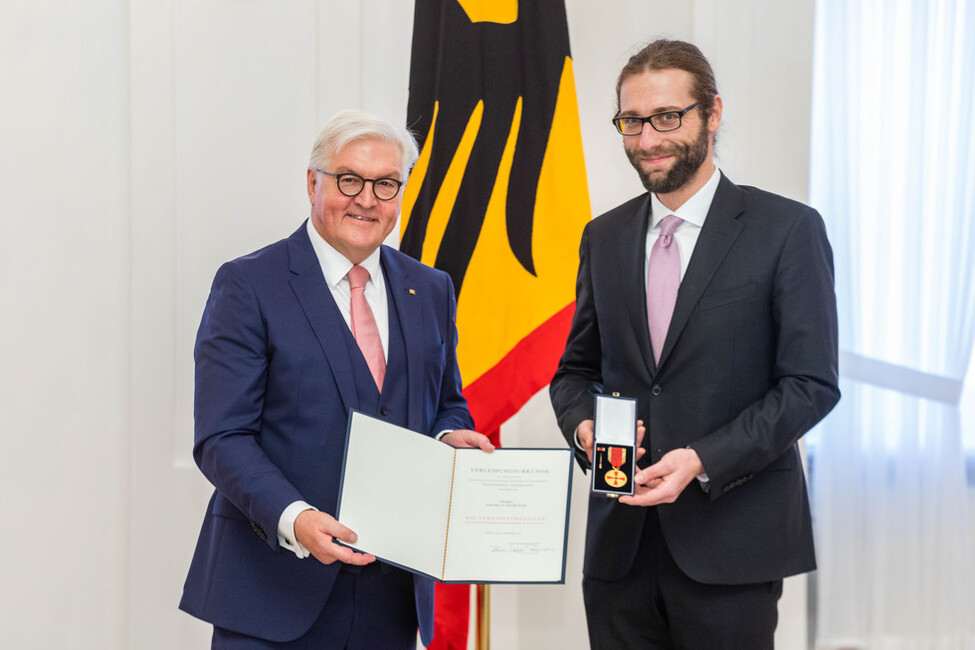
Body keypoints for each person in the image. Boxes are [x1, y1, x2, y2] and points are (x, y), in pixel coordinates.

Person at [549, 39, 840, 648]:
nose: (648, 138)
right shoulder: (602, 238)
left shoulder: (787, 230)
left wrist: (701, 459)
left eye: (667, 117)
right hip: (618, 553)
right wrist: (585, 429)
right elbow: (575, 375)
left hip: (733, 545)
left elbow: (810, 386)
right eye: (632, 121)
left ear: (712, 112)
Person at [179, 109, 493, 649]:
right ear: (312, 182)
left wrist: (448, 437)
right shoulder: (249, 284)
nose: (367, 199)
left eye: (386, 184)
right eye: (349, 179)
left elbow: (446, 404)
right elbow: (222, 437)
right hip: (272, 592)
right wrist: (296, 519)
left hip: (392, 596)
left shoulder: (432, 289)